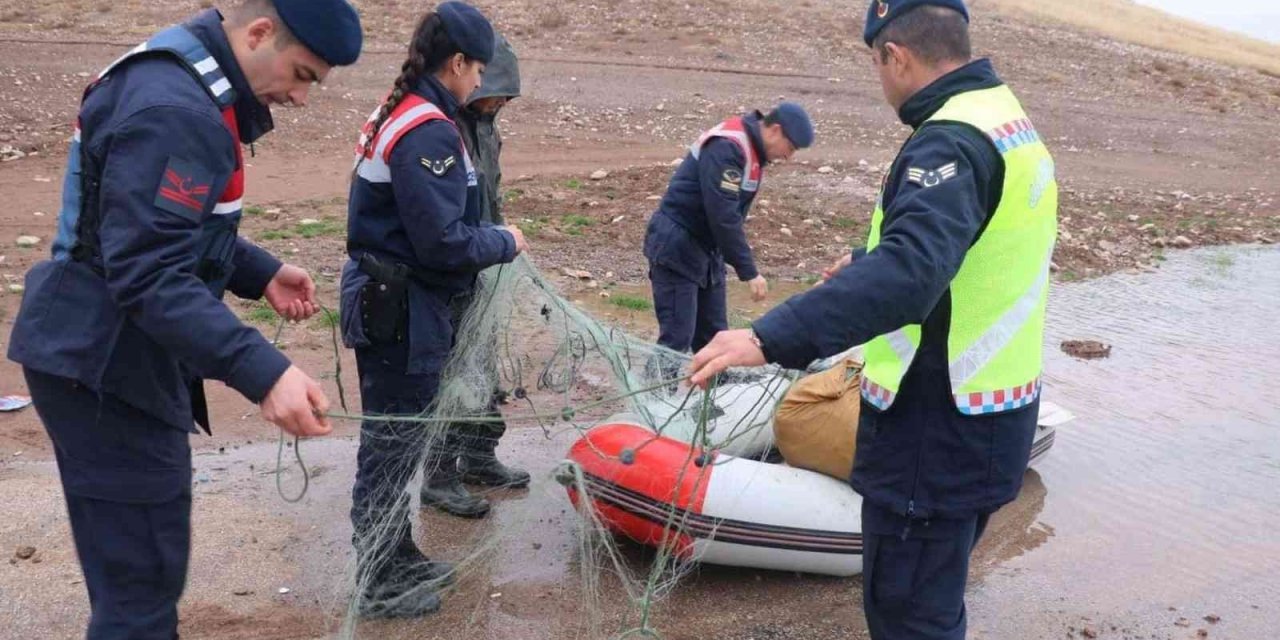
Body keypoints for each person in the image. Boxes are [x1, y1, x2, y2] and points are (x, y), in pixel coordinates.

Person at [688, 1, 1058, 638]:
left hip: (934, 428)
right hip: (993, 419)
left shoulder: (950, 139)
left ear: (896, 55)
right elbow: (976, 245)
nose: (881, 81)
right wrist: (867, 260)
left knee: (908, 617)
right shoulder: (1003, 116)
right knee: (935, 602)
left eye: (877, 65)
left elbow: (912, 275)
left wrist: (766, 336)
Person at [5, 0, 362, 637]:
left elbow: (147, 225)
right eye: (303, 74)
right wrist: (264, 371)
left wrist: (256, 271)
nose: (303, 100)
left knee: (131, 574)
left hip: (95, 350)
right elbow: (146, 270)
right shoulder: (178, 108)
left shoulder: (180, 75)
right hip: (107, 368)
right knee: (140, 594)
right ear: (258, 33)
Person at [341, 1, 528, 618]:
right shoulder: (426, 129)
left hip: (403, 301)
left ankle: (396, 552)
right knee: (392, 443)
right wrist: (506, 241)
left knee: (402, 438)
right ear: (456, 64)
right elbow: (442, 242)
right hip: (402, 307)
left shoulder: (412, 112)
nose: (481, 82)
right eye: (477, 69)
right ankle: (376, 578)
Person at [424, 31, 531, 493]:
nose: (498, 102)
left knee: (483, 365)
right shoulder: (441, 128)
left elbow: (490, 194)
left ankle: (481, 455)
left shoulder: (487, 128)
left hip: (483, 260)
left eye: (505, 96)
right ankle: (441, 476)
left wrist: (500, 242)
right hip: (453, 264)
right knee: (453, 373)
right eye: (493, 93)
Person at [642, 102, 814, 361]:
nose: (788, 157)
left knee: (714, 335)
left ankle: (714, 395)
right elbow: (722, 216)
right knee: (677, 338)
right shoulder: (728, 147)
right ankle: (654, 397)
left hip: (707, 251)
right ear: (775, 130)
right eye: (790, 148)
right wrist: (749, 271)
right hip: (677, 246)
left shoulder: (751, 149)